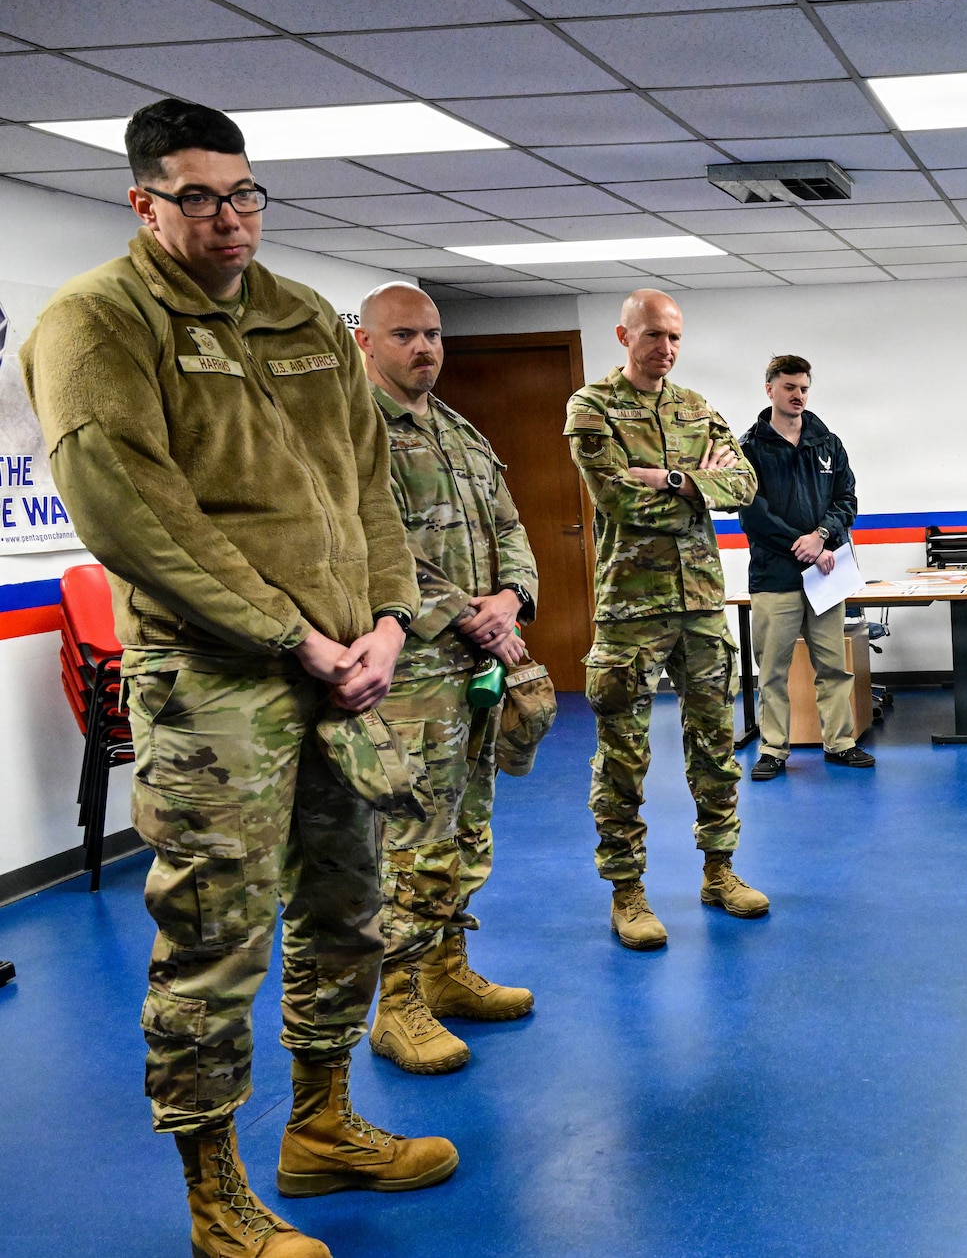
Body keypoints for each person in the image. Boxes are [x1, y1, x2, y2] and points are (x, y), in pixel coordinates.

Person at [22, 99, 453, 1258]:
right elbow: (134, 517)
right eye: (200, 197)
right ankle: (215, 1193)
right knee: (215, 938)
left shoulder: (303, 315)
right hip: (217, 680)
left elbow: (368, 487)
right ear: (144, 202)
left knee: (344, 906)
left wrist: (388, 620)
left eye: (246, 193)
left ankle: (321, 1130)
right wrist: (291, 636)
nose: (230, 219)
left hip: (342, 667)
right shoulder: (96, 325)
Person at [356, 282, 539, 1075]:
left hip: (476, 669)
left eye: (433, 334)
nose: (424, 348)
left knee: (467, 827)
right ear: (364, 342)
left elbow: (509, 525)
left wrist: (512, 597)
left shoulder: (460, 431)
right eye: (405, 335)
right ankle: (396, 1006)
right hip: (414, 673)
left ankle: (446, 970)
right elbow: (375, 546)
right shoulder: (354, 433)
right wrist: (468, 612)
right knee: (414, 841)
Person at [566, 289, 766, 950]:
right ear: (624, 335)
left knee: (714, 742)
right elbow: (623, 506)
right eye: (654, 335)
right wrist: (689, 487)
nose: (667, 349)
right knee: (624, 754)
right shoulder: (592, 409)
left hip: (703, 603)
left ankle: (720, 871)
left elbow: (744, 487)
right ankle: (627, 891)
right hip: (631, 609)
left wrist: (674, 480)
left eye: (675, 337)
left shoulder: (695, 407)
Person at [739, 354, 870, 781]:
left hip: (824, 576)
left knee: (833, 665)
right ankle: (774, 749)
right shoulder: (750, 448)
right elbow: (751, 514)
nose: (798, 395)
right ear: (770, 389)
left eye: (804, 388)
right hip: (775, 575)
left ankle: (841, 743)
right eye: (790, 387)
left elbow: (846, 500)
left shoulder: (826, 442)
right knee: (773, 669)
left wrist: (822, 536)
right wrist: (805, 545)